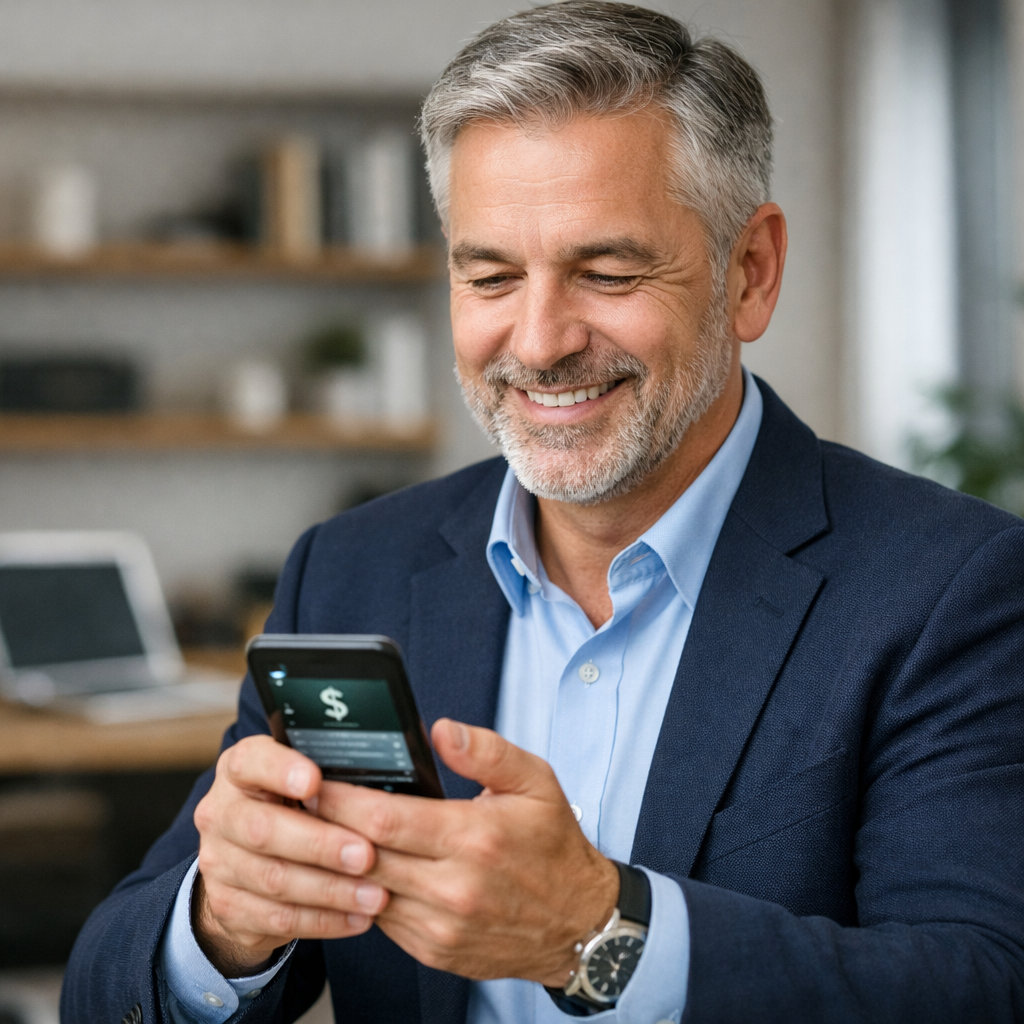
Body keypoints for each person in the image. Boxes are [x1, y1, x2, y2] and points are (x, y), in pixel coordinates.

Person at [62, 4, 1024, 1023]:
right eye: (489, 276)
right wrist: (220, 922)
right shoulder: (350, 569)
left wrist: (599, 937)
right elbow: (107, 988)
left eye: (606, 273)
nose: (540, 339)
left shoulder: (952, 588)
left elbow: (982, 988)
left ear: (750, 272)